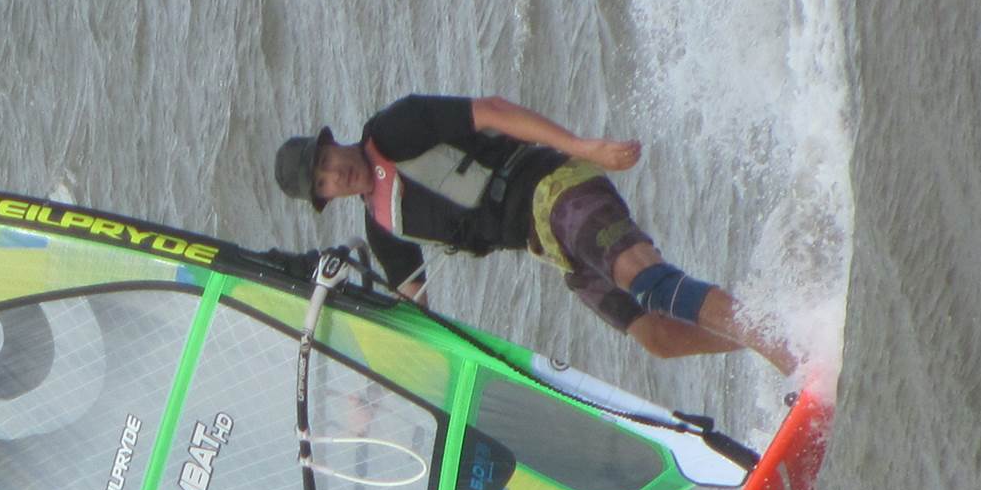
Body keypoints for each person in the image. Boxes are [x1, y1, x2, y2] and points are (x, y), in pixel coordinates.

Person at [270, 93, 796, 372]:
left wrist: (584, 147)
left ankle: (782, 346)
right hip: (549, 246)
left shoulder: (396, 128)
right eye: (323, 183)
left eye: (326, 163)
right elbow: (414, 309)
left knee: (646, 280)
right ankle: (772, 329)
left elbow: (493, 110)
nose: (334, 175)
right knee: (656, 337)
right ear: (326, 197)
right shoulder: (384, 228)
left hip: (557, 188)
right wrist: (375, 381)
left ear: (332, 144)